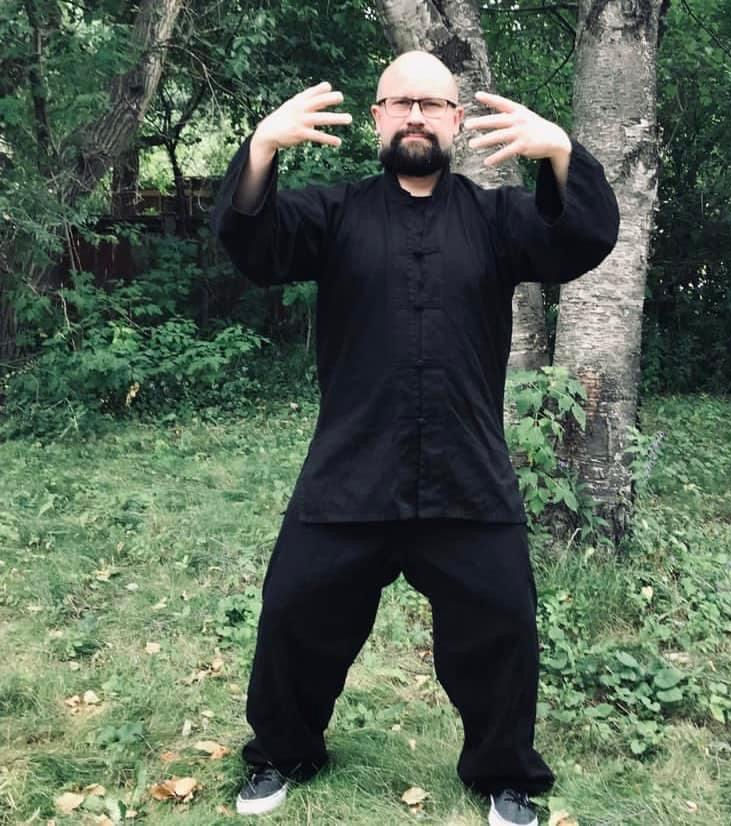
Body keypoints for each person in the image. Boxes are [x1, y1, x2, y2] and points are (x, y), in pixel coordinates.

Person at [210, 50, 619, 826]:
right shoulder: (334, 213)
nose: (416, 116)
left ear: (457, 120)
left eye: (432, 104)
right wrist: (260, 148)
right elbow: (257, 247)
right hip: (351, 469)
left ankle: (504, 774)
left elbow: (579, 241)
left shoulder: (497, 220)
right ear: (377, 118)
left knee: (504, 623)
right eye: (400, 103)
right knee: (294, 609)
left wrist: (562, 153)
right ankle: (283, 753)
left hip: (465, 472)